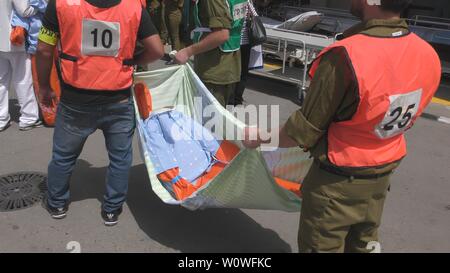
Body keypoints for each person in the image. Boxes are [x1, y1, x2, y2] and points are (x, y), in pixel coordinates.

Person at [243, 0, 441, 252]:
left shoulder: (345, 57)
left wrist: (259, 137)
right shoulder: (426, 53)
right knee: (364, 244)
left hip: (336, 184)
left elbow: (302, 131)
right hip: (381, 177)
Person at [36, 0, 164, 226]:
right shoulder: (133, 6)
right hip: (119, 99)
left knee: (63, 157)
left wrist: (45, 87)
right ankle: (112, 209)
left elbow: (44, 50)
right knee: (120, 158)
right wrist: (133, 61)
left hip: (76, 99)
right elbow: (156, 50)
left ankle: (57, 203)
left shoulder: (61, 4)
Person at [174, 0, 247, 107]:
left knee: (208, 118)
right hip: (229, 63)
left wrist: (187, 52)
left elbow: (221, 34)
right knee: (218, 116)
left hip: (214, 66)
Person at [0, 0, 42, 132]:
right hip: (13, 38)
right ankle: (28, 118)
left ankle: (1, 118)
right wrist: (39, 7)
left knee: (1, 81)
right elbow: (24, 10)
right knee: (22, 79)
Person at [232, 0, 258, 106]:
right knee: (243, 72)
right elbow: (256, 15)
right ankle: (238, 98)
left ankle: (231, 97)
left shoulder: (232, 2)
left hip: (235, 41)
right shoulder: (247, 2)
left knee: (233, 70)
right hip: (246, 41)